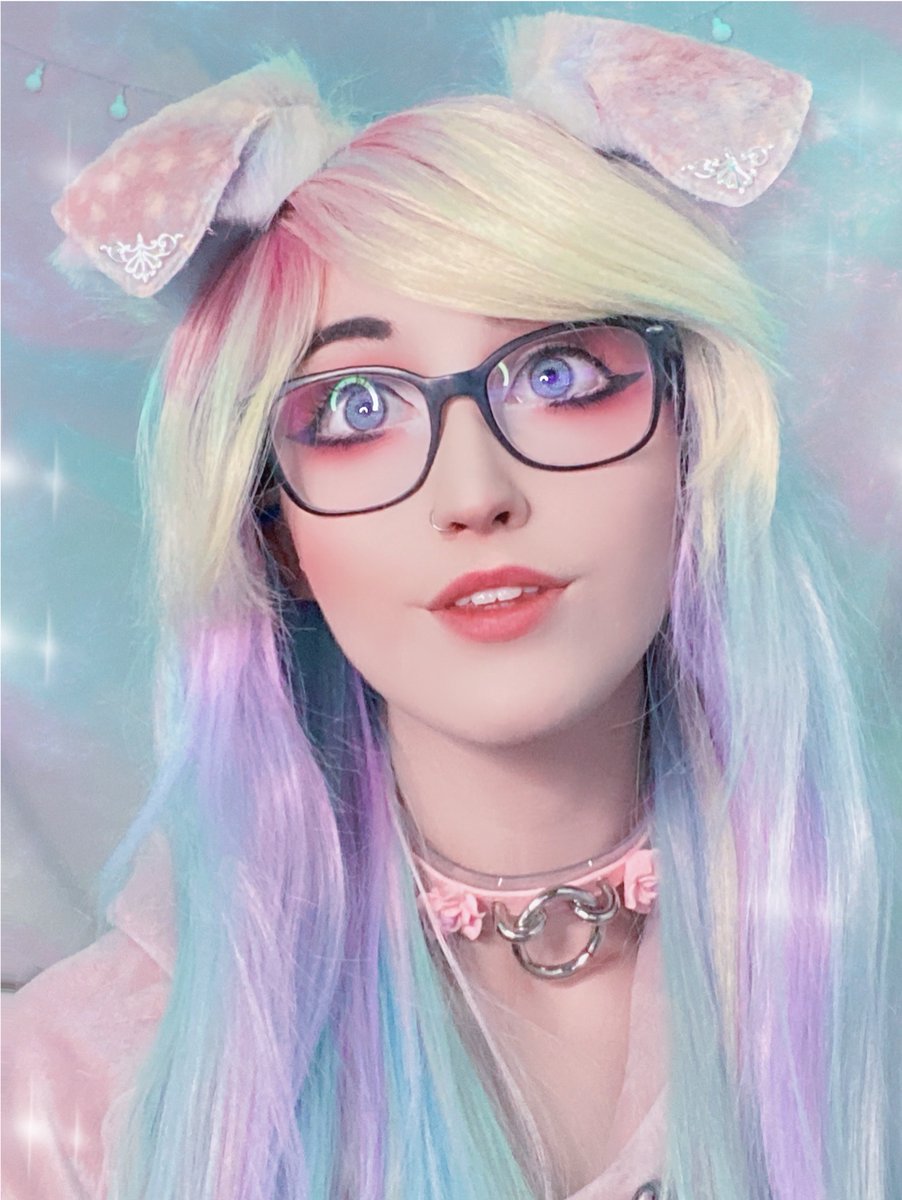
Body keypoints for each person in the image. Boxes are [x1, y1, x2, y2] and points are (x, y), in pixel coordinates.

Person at [2, 13, 897, 1200]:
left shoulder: (864, 971)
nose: (474, 493)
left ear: (693, 438)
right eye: (355, 410)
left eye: (559, 374)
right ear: (271, 522)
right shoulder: (76, 1098)